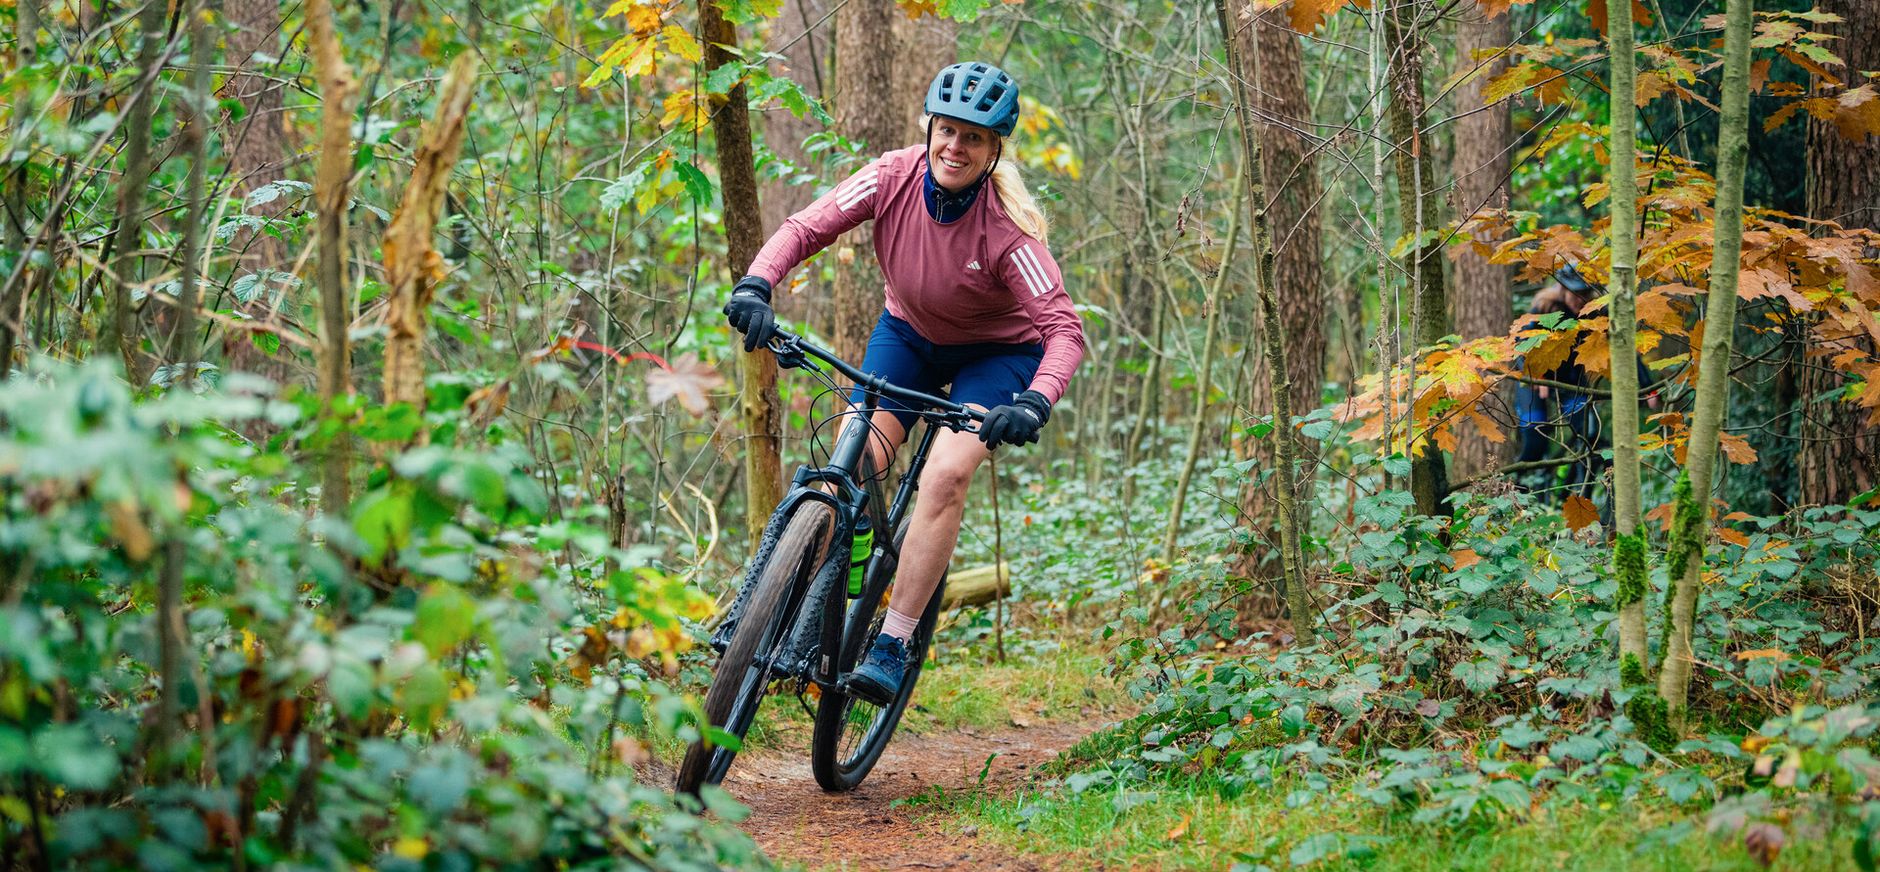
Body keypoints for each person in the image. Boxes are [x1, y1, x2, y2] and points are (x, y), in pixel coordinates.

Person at [722, 62, 1086, 704]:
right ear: (928, 130)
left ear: (995, 149)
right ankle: (767, 611)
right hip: (909, 338)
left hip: (995, 359)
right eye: (947, 130)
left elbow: (1063, 330)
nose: (955, 146)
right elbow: (807, 227)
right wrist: (757, 283)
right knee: (853, 456)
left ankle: (892, 641)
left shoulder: (1007, 231)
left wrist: (1034, 400)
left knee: (945, 473)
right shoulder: (891, 176)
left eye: (973, 138)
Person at [1514, 264, 1658, 497]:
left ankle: (1576, 495)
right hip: (1536, 381)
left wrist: (1648, 388)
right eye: (1574, 293)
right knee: (1535, 432)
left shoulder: (1596, 314)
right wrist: (1535, 374)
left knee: (1587, 435)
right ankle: (1519, 494)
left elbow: (1626, 349)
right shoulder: (1544, 308)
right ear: (1562, 289)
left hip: (1572, 383)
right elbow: (1521, 347)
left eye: (1585, 293)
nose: (1579, 299)